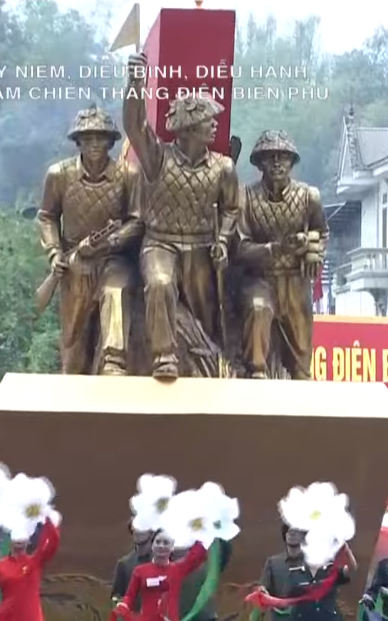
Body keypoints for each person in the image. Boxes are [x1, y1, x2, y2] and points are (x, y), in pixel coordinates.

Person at [123, 52, 241, 379]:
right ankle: (163, 356)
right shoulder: (157, 158)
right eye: (208, 119)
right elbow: (135, 125)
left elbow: (232, 209)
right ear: (188, 128)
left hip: (202, 247)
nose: (215, 123)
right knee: (160, 284)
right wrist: (136, 82)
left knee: (205, 316)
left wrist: (222, 238)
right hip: (160, 243)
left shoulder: (223, 167)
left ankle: (209, 367)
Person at [36, 106, 144, 375]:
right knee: (74, 343)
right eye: (87, 138)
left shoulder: (128, 175)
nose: (94, 144)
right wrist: (54, 253)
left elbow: (138, 220)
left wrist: (112, 241)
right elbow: (47, 217)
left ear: (110, 141)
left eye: (100, 138)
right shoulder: (58, 175)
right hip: (75, 260)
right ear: (78, 142)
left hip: (113, 258)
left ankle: (113, 361)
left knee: (115, 292)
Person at [233, 129, 329, 379]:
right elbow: (240, 248)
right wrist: (275, 249)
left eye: (283, 157)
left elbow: (321, 233)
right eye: (270, 157)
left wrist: (311, 250)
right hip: (260, 278)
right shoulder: (246, 197)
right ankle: (256, 375)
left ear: (292, 162)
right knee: (258, 309)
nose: (277, 163)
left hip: (296, 282)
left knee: (301, 363)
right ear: (260, 163)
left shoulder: (309, 197)